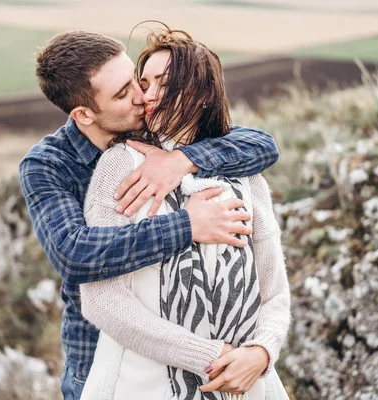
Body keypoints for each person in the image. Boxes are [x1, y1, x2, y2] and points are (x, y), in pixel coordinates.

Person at [19, 30, 281, 400]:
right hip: (101, 357)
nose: (144, 97)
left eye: (136, 81)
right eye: (124, 93)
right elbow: (75, 254)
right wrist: (187, 225)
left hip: (215, 363)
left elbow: (262, 145)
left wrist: (184, 160)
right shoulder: (50, 165)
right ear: (84, 114)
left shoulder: (162, 134)